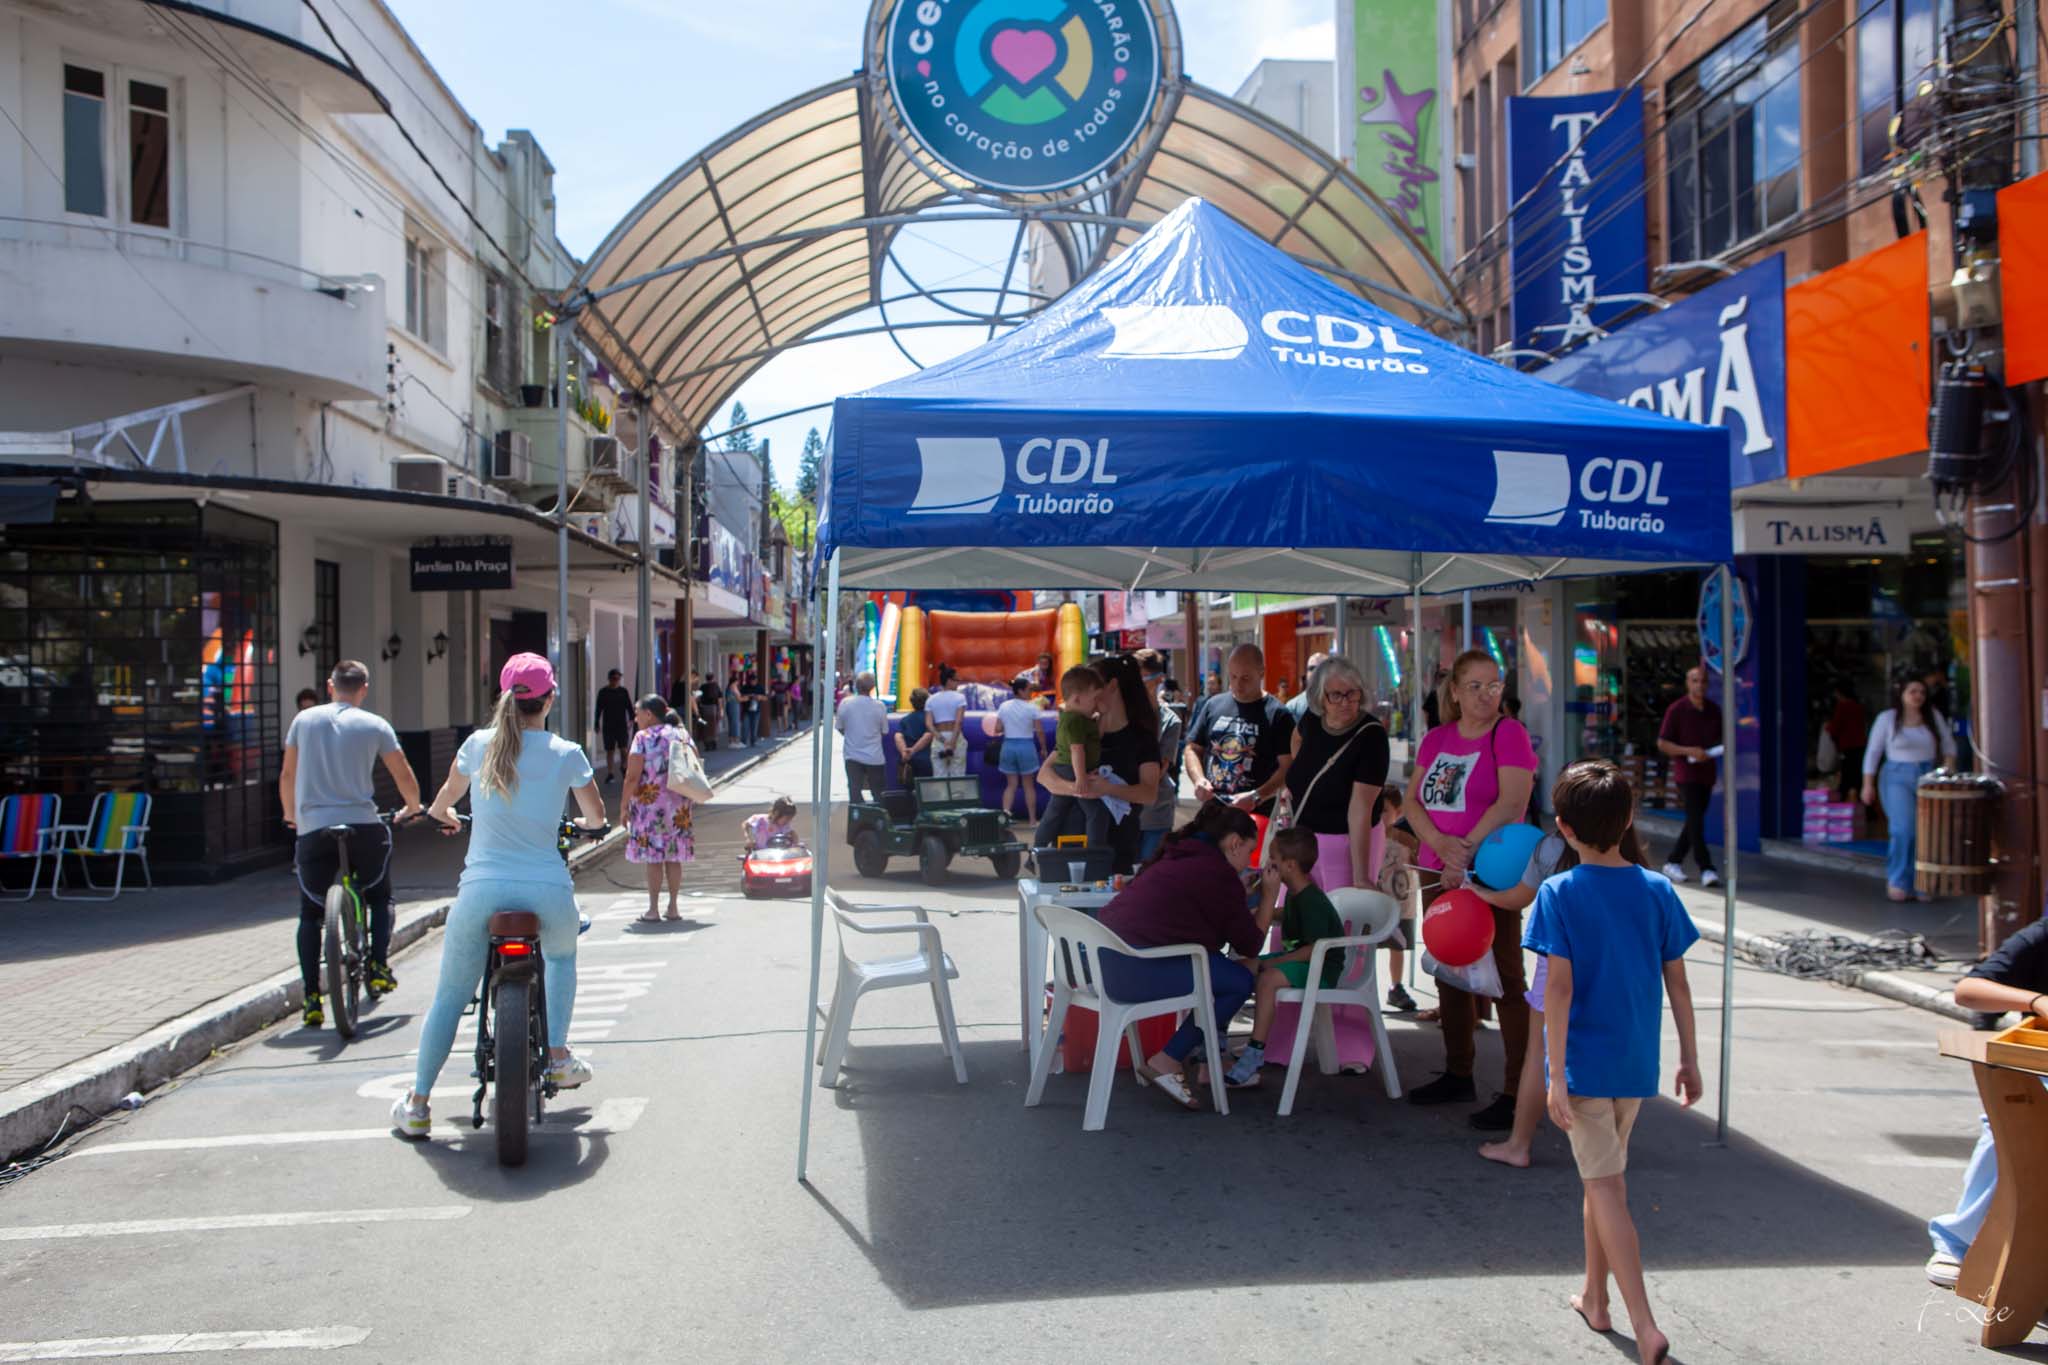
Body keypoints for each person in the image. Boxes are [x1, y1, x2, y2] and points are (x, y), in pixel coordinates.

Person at [1524, 760, 1701, 1365]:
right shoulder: (1657, 889)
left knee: (1605, 1186)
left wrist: (1554, 1075)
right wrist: (1690, 1060)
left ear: (1564, 829)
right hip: (1634, 1066)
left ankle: (1645, 1325)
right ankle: (1595, 1299)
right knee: (1601, 1181)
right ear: (1628, 820)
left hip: (1584, 1067)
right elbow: (1678, 983)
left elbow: (1558, 991)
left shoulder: (1559, 892)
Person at [397, 653, 607, 1139]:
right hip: (548, 889)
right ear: (550, 699)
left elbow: (442, 804)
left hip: (482, 892)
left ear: (505, 697)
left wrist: (446, 817)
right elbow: (596, 817)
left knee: (450, 996)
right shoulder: (567, 753)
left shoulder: (477, 745)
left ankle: (418, 1103)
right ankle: (558, 1056)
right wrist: (587, 826)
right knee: (560, 957)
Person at [1404, 648, 1538, 1120]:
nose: (1486, 695)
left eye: (1494, 685)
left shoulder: (1509, 733)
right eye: (1475, 686)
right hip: (1439, 869)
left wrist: (1463, 850)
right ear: (1456, 692)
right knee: (1450, 970)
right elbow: (1412, 802)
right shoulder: (1437, 738)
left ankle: (1516, 1090)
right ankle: (1458, 1072)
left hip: (1490, 873)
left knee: (1506, 976)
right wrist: (1440, 845)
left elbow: (1512, 802)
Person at [1477, 805, 1652, 1168]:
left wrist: (1481, 894)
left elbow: (1518, 897)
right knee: (1608, 1049)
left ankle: (1519, 1144)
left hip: (1557, 966)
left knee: (1538, 1055)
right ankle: (1611, 1146)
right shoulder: (1632, 857)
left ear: (1563, 820)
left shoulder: (1550, 850)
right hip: (1612, 971)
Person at [1095, 801, 1273, 1110]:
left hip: (1108, 964)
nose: (1248, 861)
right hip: (1135, 972)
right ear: (1234, 843)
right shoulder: (1218, 874)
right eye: (1249, 851)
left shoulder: (1179, 854)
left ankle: (1207, 1062)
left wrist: (1237, 894)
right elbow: (1250, 945)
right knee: (1238, 981)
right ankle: (1168, 1058)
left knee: (1220, 973)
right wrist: (1269, 896)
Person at [1261, 654, 1389, 1076]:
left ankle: (1350, 1044)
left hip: (1349, 844)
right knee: (1289, 931)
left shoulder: (1371, 735)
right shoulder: (1309, 724)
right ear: (1319, 697)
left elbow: (1361, 808)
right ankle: (1279, 1039)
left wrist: (1361, 876)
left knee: (1344, 941)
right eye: (1336, 695)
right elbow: (1295, 773)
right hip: (1303, 844)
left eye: (1352, 694)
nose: (1346, 702)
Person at [280, 660, 423, 1028]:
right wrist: (412, 807)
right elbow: (402, 772)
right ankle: (378, 965)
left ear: (330, 686)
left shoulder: (303, 721)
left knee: (310, 914)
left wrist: (291, 815)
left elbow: (288, 773)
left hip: (314, 828)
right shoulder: (375, 724)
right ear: (364, 688)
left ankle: (312, 999)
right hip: (363, 826)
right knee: (380, 896)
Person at [1924, 912, 2048, 1288]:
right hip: (2040, 1068)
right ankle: (1958, 1241)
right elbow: (1969, 990)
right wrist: (2037, 1001)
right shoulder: (2041, 936)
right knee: (2010, 1125)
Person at [1223, 826, 1346, 1087]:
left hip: (1321, 968)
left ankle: (1255, 1053)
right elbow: (1288, 914)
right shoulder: (1295, 892)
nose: (1268, 864)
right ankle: (1219, 1035)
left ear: (1289, 865)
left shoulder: (1311, 899)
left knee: (1267, 978)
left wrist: (1273, 962)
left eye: (1273, 858)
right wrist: (1262, 909)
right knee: (1239, 968)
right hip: (1303, 960)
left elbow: (1314, 949)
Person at [1036, 654, 1162, 874]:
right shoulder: (1081, 727)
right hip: (1067, 848)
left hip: (1116, 851)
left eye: (1091, 682)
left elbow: (1149, 793)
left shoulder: (1142, 738)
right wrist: (1078, 788)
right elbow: (1044, 775)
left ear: (1111, 686)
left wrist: (1107, 789)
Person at [1862, 676, 1958, 902]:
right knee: (1904, 829)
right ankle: (1898, 879)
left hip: (1928, 775)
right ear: (1901, 694)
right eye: (1912, 691)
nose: (1918, 696)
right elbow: (1873, 752)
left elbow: (1949, 746)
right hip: (1897, 774)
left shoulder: (1932, 715)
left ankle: (1923, 881)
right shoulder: (1887, 718)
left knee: (1928, 831)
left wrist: (1948, 772)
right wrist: (1867, 784)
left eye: (1922, 692)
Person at [1183, 643, 1294, 815]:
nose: (1238, 684)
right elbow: (1192, 748)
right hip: (1213, 811)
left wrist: (1257, 796)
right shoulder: (1213, 705)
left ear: (1261, 673)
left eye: (1245, 678)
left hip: (1256, 815)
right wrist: (1199, 780)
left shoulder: (1278, 714)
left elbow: (1288, 767)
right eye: (1233, 676)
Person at [620, 694, 695, 923]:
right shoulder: (681, 734)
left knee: (654, 858)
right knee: (673, 856)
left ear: (649, 714)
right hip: (679, 806)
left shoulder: (642, 738)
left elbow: (632, 776)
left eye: (637, 713)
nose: (636, 718)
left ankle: (653, 909)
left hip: (650, 807)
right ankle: (673, 907)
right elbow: (695, 764)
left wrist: (623, 806)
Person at [1655, 665, 1723, 888]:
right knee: (1696, 821)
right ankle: (1706, 867)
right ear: (1687, 683)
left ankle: (1673, 862)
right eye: (1695, 680)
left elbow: (1722, 738)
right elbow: (1663, 743)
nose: (1699, 685)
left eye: (1703, 681)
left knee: (1694, 821)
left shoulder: (1714, 710)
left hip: (1707, 774)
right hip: (1686, 774)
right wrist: (1688, 751)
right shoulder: (1677, 710)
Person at [1035, 666, 1111, 851]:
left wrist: (1102, 712)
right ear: (1077, 699)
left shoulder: (1080, 718)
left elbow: (1095, 736)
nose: (1097, 703)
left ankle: (1038, 848)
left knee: (1056, 811)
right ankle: (1095, 850)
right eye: (1095, 699)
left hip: (1068, 768)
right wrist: (1081, 778)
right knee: (1096, 812)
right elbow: (1077, 750)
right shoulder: (1074, 720)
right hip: (1072, 769)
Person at [1135, 651, 1185, 863]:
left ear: (1159, 680)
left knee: (1150, 873)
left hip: (1155, 815)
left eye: (1140, 678)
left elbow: (1158, 770)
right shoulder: (1115, 715)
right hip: (1121, 816)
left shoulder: (1170, 721)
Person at [1378, 785, 1421, 1014]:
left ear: (1398, 811)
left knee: (1397, 945)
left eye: (1385, 810)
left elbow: (1418, 862)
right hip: (1374, 900)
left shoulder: (1406, 838)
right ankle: (1364, 983)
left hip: (1400, 901)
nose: (1379, 816)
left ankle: (1396, 986)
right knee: (1366, 946)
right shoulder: (1366, 835)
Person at [992, 674, 1046, 825]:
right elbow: (1039, 731)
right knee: (1028, 785)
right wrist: (1043, 748)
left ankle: (1005, 818)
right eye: (1029, 689)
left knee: (1011, 785)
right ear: (1021, 691)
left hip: (1008, 746)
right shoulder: (1032, 708)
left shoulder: (1004, 706)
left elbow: (997, 729)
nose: (1031, 692)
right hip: (1026, 746)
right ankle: (1032, 820)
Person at [836, 671, 889, 806]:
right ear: (872, 687)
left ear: (856, 685)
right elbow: (884, 731)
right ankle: (879, 816)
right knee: (878, 793)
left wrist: (851, 735)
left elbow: (840, 727)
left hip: (852, 756)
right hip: (875, 757)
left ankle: (857, 816)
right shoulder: (880, 706)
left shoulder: (845, 704)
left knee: (854, 792)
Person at [1824, 681, 1868, 802]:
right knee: (1857, 776)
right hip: (1859, 745)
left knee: (1847, 776)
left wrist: (1827, 727)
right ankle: (1863, 804)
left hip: (1848, 745)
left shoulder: (1842, 706)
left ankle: (1841, 802)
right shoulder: (1858, 706)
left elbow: (1835, 727)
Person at [925, 665, 969, 778]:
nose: (958, 683)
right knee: (958, 774)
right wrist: (952, 742)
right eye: (957, 680)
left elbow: (929, 724)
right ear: (949, 681)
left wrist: (943, 740)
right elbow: (958, 722)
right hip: (955, 736)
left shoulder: (931, 699)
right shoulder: (960, 698)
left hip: (939, 737)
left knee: (939, 775)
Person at [594, 669, 634, 785]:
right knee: (610, 750)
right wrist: (596, 723)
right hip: (608, 725)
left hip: (621, 725)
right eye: (614, 679)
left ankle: (624, 767)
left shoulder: (623, 692)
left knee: (623, 749)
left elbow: (629, 706)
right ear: (609, 679)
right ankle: (610, 773)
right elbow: (598, 709)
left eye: (618, 678)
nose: (616, 681)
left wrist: (631, 719)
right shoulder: (603, 692)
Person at [894, 687, 934, 783]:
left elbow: (898, 736)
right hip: (926, 760)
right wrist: (913, 750)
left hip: (908, 761)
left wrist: (904, 752)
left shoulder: (905, 720)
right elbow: (928, 736)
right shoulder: (929, 719)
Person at [1285, 652, 1328, 720]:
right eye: (1311, 668)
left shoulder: (1342, 704)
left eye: (1321, 668)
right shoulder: (1293, 707)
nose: (1315, 672)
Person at [696, 672, 723, 752]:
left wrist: (699, 705)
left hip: (704, 708)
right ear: (713, 678)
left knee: (705, 725)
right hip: (713, 708)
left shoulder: (702, 687)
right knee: (714, 725)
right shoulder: (716, 686)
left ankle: (707, 744)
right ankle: (713, 742)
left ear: (706, 678)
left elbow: (697, 698)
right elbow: (719, 699)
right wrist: (720, 709)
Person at [724, 671, 743, 745]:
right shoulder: (733, 687)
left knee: (731, 723)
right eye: (737, 681)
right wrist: (747, 698)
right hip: (734, 706)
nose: (738, 682)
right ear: (735, 681)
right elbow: (739, 697)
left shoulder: (728, 687)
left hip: (729, 706)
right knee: (735, 723)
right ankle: (735, 741)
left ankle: (731, 741)